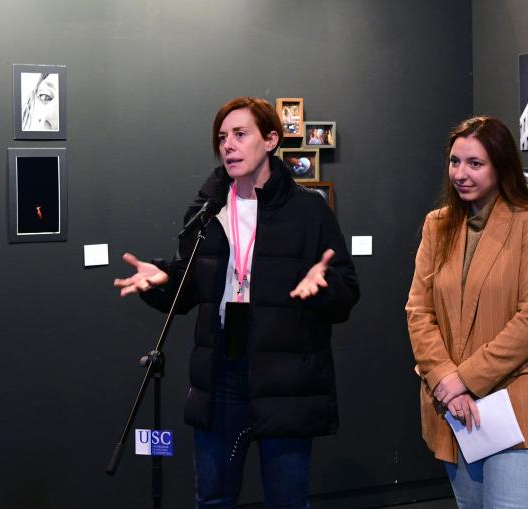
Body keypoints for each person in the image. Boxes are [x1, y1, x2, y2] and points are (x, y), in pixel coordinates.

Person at [114, 96, 359, 509]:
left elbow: (346, 293)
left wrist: (324, 286)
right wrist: (162, 280)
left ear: (271, 140)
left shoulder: (308, 211)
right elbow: (190, 288)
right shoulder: (207, 211)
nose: (228, 145)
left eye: (240, 134)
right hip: (221, 376)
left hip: (285, 380)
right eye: (222, 137)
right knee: (213, 498)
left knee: (287, 502)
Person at [406, 116, 528, 508]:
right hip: (456, 408)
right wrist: (445, 377)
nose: (461, 173)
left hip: (518, 404)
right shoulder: (437, 225)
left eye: (475, 163)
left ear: (501, 166)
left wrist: (464, 379)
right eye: (455, 161)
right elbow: (419, 310)